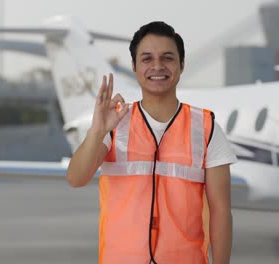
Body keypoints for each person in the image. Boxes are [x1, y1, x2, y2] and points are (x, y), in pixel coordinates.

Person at [67, 21, 237, 264]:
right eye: (147, 59)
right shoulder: (115, 124)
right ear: (134, 67)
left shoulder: (206, 128)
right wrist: (96, 131)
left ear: (181, 65)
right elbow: (76, 178)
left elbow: (221, 211)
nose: (157, 66)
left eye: (167, 58)